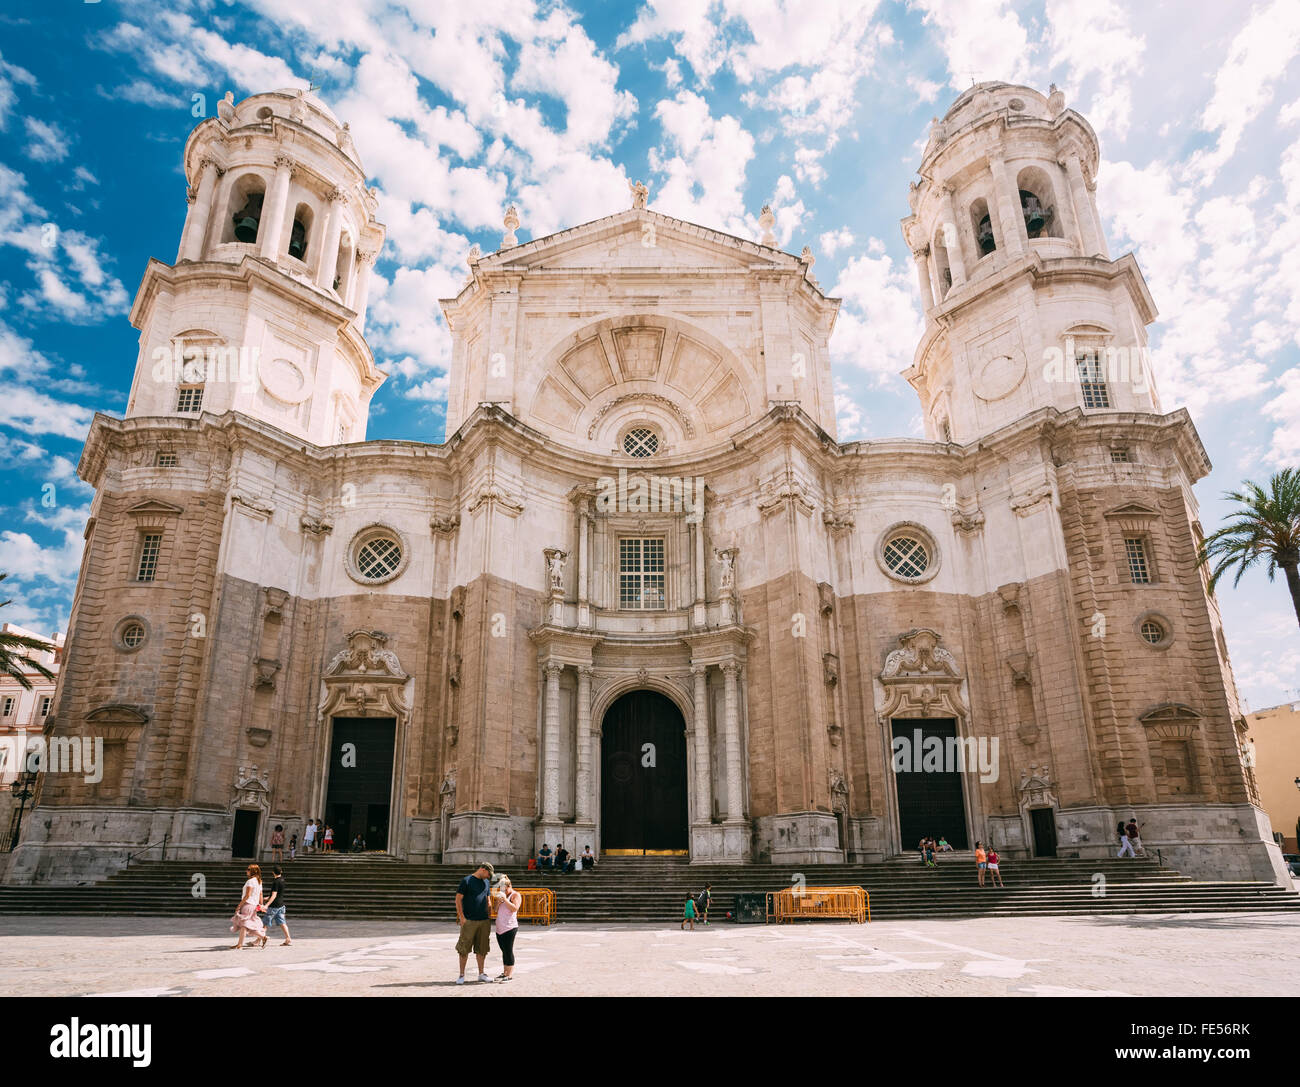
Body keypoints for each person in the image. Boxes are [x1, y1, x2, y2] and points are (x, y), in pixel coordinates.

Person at [455, 862, 495, 984]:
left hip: (484, 920)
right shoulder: (467, 881)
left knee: (482, 948)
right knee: (464, 948)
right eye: (488, 874)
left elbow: (488, 899)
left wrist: (490, 911)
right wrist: (462, 917)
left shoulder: (486, 882)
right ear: (482, 869)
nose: (488, 877)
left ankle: (481, 974)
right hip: (469, 920)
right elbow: (458, 899)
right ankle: (461, 975)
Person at [230, 863, 267, 949]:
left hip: (248, 905)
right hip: (254, 905)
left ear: (253, 871)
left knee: (245, 924)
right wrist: (261, 905)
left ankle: (240, 944)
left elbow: (247, 895)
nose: (246, 871)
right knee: (246, 925)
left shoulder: (250, 881)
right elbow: (261, 894)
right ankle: (240, 944)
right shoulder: (259, 881)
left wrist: (239, 905)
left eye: (248, 869)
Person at [493, 874, 522, 982]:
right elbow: (495, 910)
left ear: (509, 886)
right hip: (500, 927)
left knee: (508, 950)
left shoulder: (515, 895)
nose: (503, 890)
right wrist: (498, 902)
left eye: (504, 888)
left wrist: (505, 900)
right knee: (503, 950)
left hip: (510, 927)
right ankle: (505, 972)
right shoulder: (502, 895)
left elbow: (515, 908)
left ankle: (509, 975)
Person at [263, 864, 293, 945]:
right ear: (281, 872)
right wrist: (267, 897)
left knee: (265, 923)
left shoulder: (275, 882)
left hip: (273, 906)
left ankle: (258, 940)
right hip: (281, 905)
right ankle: (288, 938)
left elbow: (274, 895)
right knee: (282, 923)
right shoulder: (283, 880)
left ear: (273, 873)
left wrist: (266, 904)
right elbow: (278, 894)